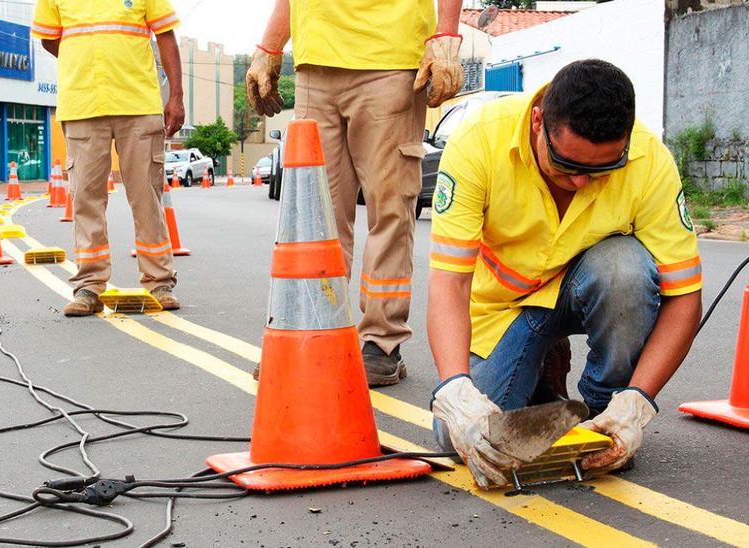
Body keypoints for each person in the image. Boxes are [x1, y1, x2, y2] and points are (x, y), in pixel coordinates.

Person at [427, 60, 703, 489]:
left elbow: (684, 297)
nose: (579, 181)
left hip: (591, 288)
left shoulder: (650, 161)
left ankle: (598, 413)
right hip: (508, 310)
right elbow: (450, 283)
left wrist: (635, 404)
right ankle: (543, 369)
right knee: (464, 440)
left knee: (625, 269)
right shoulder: (480, 141)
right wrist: (457, 392)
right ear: (539, 121)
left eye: (600, 170)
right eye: (565, 163)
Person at [248, 0, 464, 386]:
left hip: (389, 58)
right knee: (315, 215)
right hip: (316, 62)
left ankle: (381, 341)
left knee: (390, 207)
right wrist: (269, 47)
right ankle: (312, 330)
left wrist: (446, 35)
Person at [31, 0, 185, 316]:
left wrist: (177, 98)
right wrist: (84, 60)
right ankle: (89, 285)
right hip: (82, 105)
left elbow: (166, 36)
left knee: (146, 197)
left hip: (139, 103)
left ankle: (159, 282)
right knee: (86, 199)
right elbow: (50, 38)